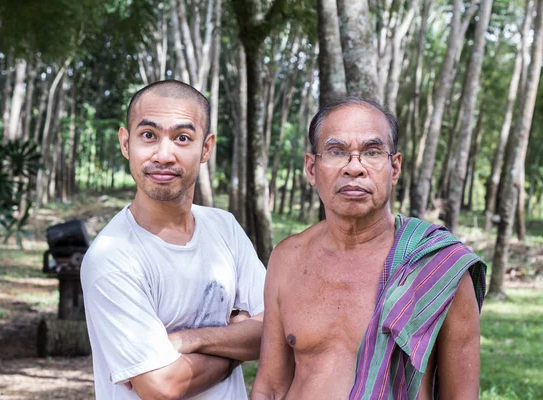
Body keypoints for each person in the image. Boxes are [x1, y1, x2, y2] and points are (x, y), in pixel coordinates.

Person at [251, 98, 486, 399]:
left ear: (395, 167)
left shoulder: (440, 268)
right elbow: (270, 387)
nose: (354, 168)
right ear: (312, 168)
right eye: (336, 152)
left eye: (372, 152)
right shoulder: (288, 258)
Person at [81, 80, 266, 399]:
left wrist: (190, 340)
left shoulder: (224, 228)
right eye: (149, 135)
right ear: (126, 143)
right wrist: (237, 340)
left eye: (182, 138)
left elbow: (275, 331)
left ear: (206, 147)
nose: (164, 155)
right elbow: (162, 386)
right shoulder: (112, 257)